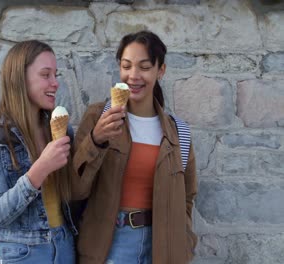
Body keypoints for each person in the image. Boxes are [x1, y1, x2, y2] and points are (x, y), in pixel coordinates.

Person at [71, 30, 198, 264]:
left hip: (163, 247)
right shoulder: (98, 117)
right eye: (126, 66)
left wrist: (184, 241)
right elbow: (74, 189)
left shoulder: (178, 132)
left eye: (145, 67)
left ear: (161, 70)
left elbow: (188, 197)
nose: (133, 75)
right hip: (111, 245)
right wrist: (96, 140)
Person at [0, 40, 77, 264]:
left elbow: (76, 193)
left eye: (56, 74)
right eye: (46, 75)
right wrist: (40, 169)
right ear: (20, 79)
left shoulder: (61, 129)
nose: (55, 83)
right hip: (22, 253)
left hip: (64, 245)